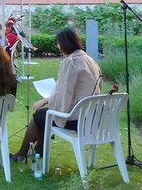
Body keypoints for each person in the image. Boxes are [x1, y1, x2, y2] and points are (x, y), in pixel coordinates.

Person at [15, 26, 103, 169]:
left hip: (79, 121)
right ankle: (38, 151)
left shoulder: (71, 62)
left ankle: (22, 154)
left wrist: (51, 104)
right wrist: (48, 100)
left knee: (40, 116)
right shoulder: (90, 61)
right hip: (92, 117)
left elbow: (64, 94)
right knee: (45, 116)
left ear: (64, 45)